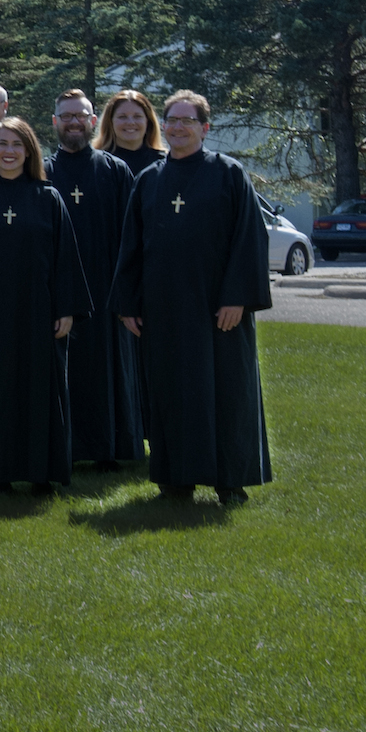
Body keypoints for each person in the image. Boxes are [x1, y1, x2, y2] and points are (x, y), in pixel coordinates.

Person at [112, 90, 273, 505]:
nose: (178, 127)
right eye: (172, 119)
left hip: (219, 310)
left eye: (187, 120)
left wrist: (238, 298)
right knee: (171, 392)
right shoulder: (149, 180)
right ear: (162, 126)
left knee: (226, 392)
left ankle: (229, 480)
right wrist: (128, 303)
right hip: (163, 310)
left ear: (205, 127)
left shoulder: (229, 174)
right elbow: (132, 245)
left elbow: (248, 241)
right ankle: (175, 478)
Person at [0, 118, 91, 494]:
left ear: (29, 151)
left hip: (40, 311)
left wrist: (67, 308)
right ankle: (1, 473)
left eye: (16, 145)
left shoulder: (47, 198)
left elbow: (65, 259)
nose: (8, 151)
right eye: (1, 144)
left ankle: (43, 473)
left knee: (42, 389)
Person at [46, 90, 143, 468]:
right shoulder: (43, 172)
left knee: (109, 374)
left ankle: (110, 449)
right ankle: (63, 449)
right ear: (55, 122)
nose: (73, 122)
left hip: (106, 295)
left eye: (80, 116)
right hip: (58, 293)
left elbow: (133, 239)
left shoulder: (116, 171)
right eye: (66, 116)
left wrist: (128, 296)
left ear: (92, 122)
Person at [96, 89, 168, 178]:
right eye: (122, 117)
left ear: (148, 121)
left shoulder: (164, 163)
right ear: (110, 122)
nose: (130, 122)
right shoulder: (98, 163)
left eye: (137, 116)